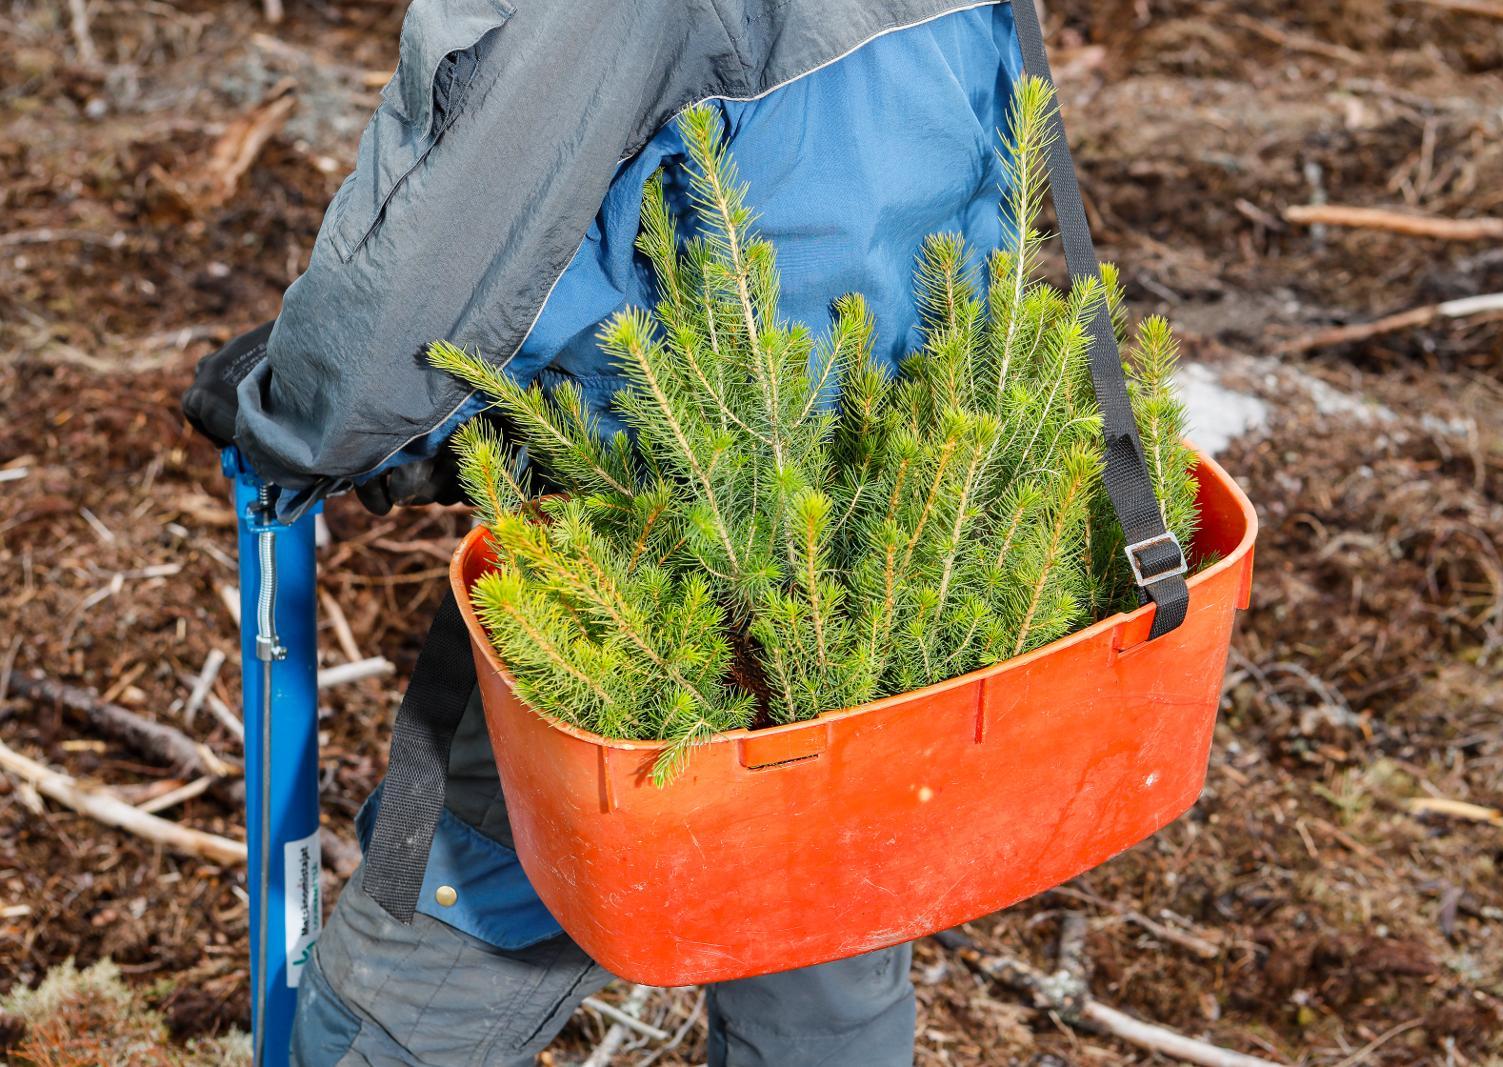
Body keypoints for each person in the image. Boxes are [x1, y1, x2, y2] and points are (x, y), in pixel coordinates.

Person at [186, 1, 1048, 1062]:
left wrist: (295, 411)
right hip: (902, 528)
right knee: (829, 931)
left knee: (437, 943)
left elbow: (461, 218)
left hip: (650, 547)